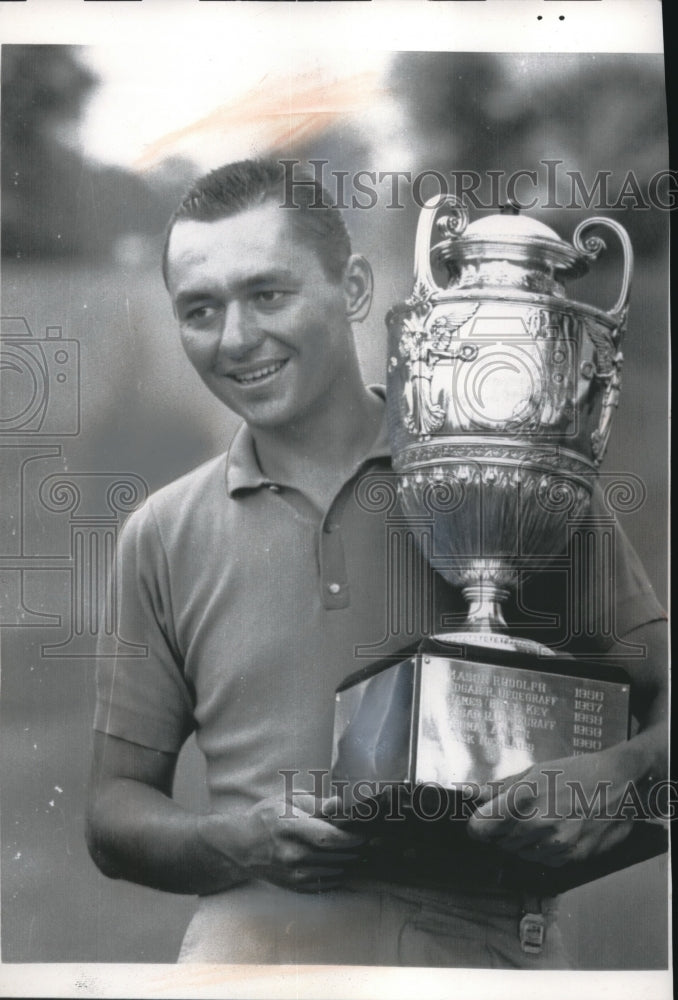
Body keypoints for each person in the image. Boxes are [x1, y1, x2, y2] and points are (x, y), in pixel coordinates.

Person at [86, 158, 667, 967]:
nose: (236, 338)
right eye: (200, 310)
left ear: (354, 289)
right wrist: (237, 841)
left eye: (268, 294)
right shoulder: (160, 531)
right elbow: (112, 811)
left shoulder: (520, 471)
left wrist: (623, 770)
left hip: (483, 954)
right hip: (247, 957)